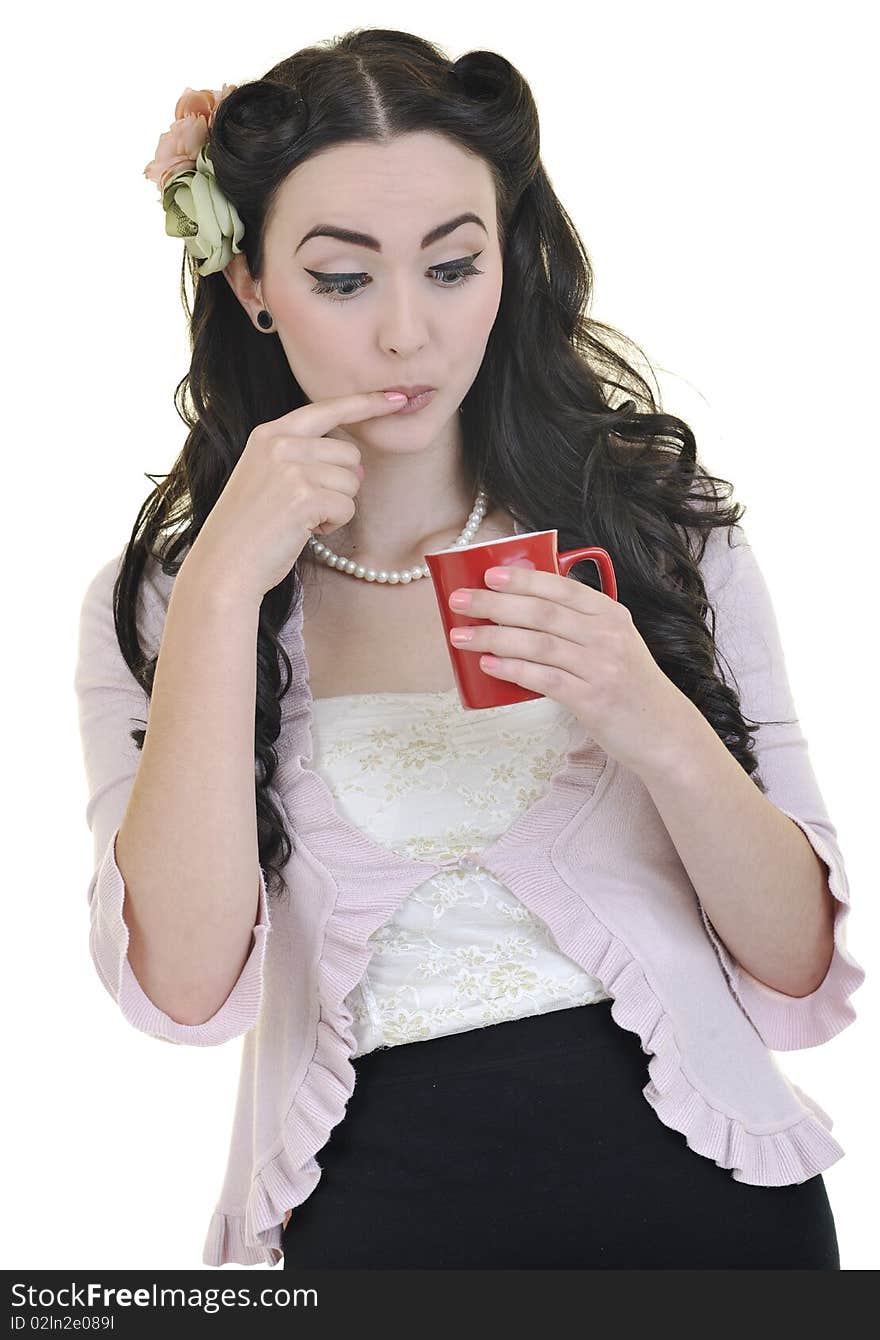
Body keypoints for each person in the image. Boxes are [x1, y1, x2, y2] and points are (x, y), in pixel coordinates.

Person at [74, 28, 864, 1269]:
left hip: (710, 1217)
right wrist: (227, 582)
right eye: (343, 280)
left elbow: (797, 962)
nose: (407, 334)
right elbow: (182, 986)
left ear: (508, 263)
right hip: (375, 1228)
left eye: (452, 266)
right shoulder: (170, 600)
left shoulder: (655, 533)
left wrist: (647, 714)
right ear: (252, 284)